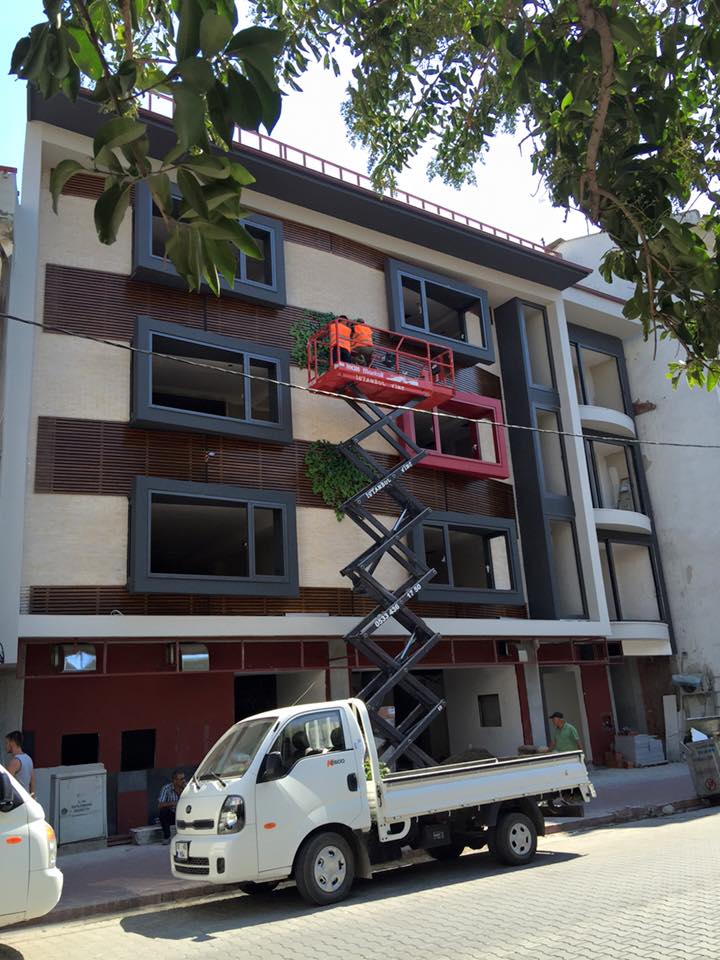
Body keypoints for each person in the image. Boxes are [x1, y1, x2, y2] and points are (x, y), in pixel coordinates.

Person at [157, 769, 186, 843]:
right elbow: (160, 805)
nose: (184, 781)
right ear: (174, 781)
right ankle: (167, 837)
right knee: (163, 812)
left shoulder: (188, 788)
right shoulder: (166, 788)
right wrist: (175, 803)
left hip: (185, 814)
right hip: (173, 815)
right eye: (181, 779)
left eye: (184, 778)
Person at [4, 730, 36, 797]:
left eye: (6, 743)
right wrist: (32, 798)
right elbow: (32, 782)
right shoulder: (28, 758)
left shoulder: (15, 761)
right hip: (26, 798)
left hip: (17, 799)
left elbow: (6, 784)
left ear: (12, 743)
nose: (5, 746)